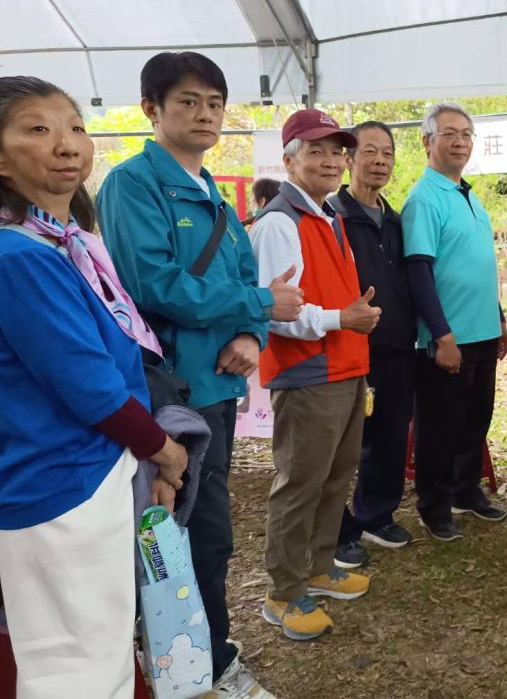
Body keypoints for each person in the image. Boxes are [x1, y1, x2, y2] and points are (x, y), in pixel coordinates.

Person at [97, 52, 301, 697]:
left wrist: (251, 333)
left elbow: (242, 279)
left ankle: (194, 659)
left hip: (217, 388)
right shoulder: (133, 186)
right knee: (177, 532)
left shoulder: (211, 190)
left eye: (215, 103)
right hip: (168, 394)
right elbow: (153, 286)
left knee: (206, 531)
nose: (205, 114)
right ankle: (195, 666)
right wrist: (261, 306)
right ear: (151, 109)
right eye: (188, 101)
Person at [0, 76, 188, 698]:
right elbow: (90, 387)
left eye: (76, 127)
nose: (67, 144)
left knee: (99, 646)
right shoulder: (21, 257)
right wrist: (164, 449)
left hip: (88, 468)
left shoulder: (66, 245)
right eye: (38, 129)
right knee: (76, 664)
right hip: (61, 481)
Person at [250, 109, 378, 641]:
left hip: (344, 367)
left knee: (335, 476)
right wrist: (341, 319)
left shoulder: (327, 216)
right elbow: (277, 310)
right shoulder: (279, 223)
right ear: (288, 161)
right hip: (308, 372)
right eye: (315, 150)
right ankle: (282, 592)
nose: (330, 160)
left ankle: (320, 567)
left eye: (337, 151)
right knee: (300, 484)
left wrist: (350, 322)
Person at [401, 102, 507, 541]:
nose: (460, 141)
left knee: (474, 420)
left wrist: (499, 318)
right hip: (447, 338)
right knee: (439, 427)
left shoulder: (468, 194)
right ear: (427, 142)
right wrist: (441, 335)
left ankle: (466, 490)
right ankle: (435, 505)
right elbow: (418, 271)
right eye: (450, 133)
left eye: (466, 134)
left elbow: (478, 266)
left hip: (483, 332)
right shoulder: (424, 198)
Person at [329, 121, 417, 565]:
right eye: (369, 151)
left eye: (387, 153)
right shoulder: (333, 217)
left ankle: (376, 515)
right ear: (349, 159)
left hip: (397, 347)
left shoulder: (397, 221)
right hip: (348, 347)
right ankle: (337, 529)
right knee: (342, 446)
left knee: (389, 437)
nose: (379, 161)